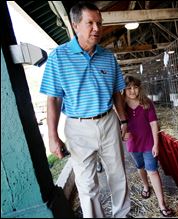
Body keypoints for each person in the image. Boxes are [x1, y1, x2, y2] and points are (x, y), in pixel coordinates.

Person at [40, 2, 130, 218]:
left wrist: (123, 121)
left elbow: (117, 92)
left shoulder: (108, 57)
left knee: (118, 174)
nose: (97, 28)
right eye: (90, 23)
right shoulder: (58, 57)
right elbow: (53, 99)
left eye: (99, 23)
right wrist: (53, 137)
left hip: (108, 121)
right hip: (77, 127)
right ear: (75, 25)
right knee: (86, 182)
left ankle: (122, 214)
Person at [123, 75, 175, 217]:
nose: (133, 91)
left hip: (148, 143)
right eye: (129, 88)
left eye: (135, 87)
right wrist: (122, 135)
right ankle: (146, 186)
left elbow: (153, 123)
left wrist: (156, 144)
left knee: (152, 170)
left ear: (139, 88)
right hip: (133, 145)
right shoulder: (121, 107)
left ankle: (161, 204)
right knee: (140, 167)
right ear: (124, 90)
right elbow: (118, 125)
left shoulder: (146, 103)